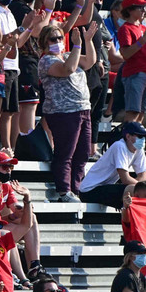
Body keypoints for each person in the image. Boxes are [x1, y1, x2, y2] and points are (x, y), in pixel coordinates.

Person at [38, 22, 99, 202]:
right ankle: (64, 191)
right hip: (63, 112)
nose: (58, 41)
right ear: (44, 42)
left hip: (82, 109)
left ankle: (76, 188)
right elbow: (68, 69)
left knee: (83, 153)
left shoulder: (67, 55)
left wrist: (87, 41)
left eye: (60, 37)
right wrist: (77, 46)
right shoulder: (46, 60)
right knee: (66, 152)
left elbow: (89, 61)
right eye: (53, 39)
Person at [79, 121, 146, 208]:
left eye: (144, 137)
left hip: (105, 187)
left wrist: (144, 188)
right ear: (128, 136)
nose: (143, 140)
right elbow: (125, 179)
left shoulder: (139, 150)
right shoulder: (119, 146)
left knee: (143, 191)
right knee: (134, 190)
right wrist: (143, 188)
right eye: (140, 136)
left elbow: (142, 177)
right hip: (89, 191)